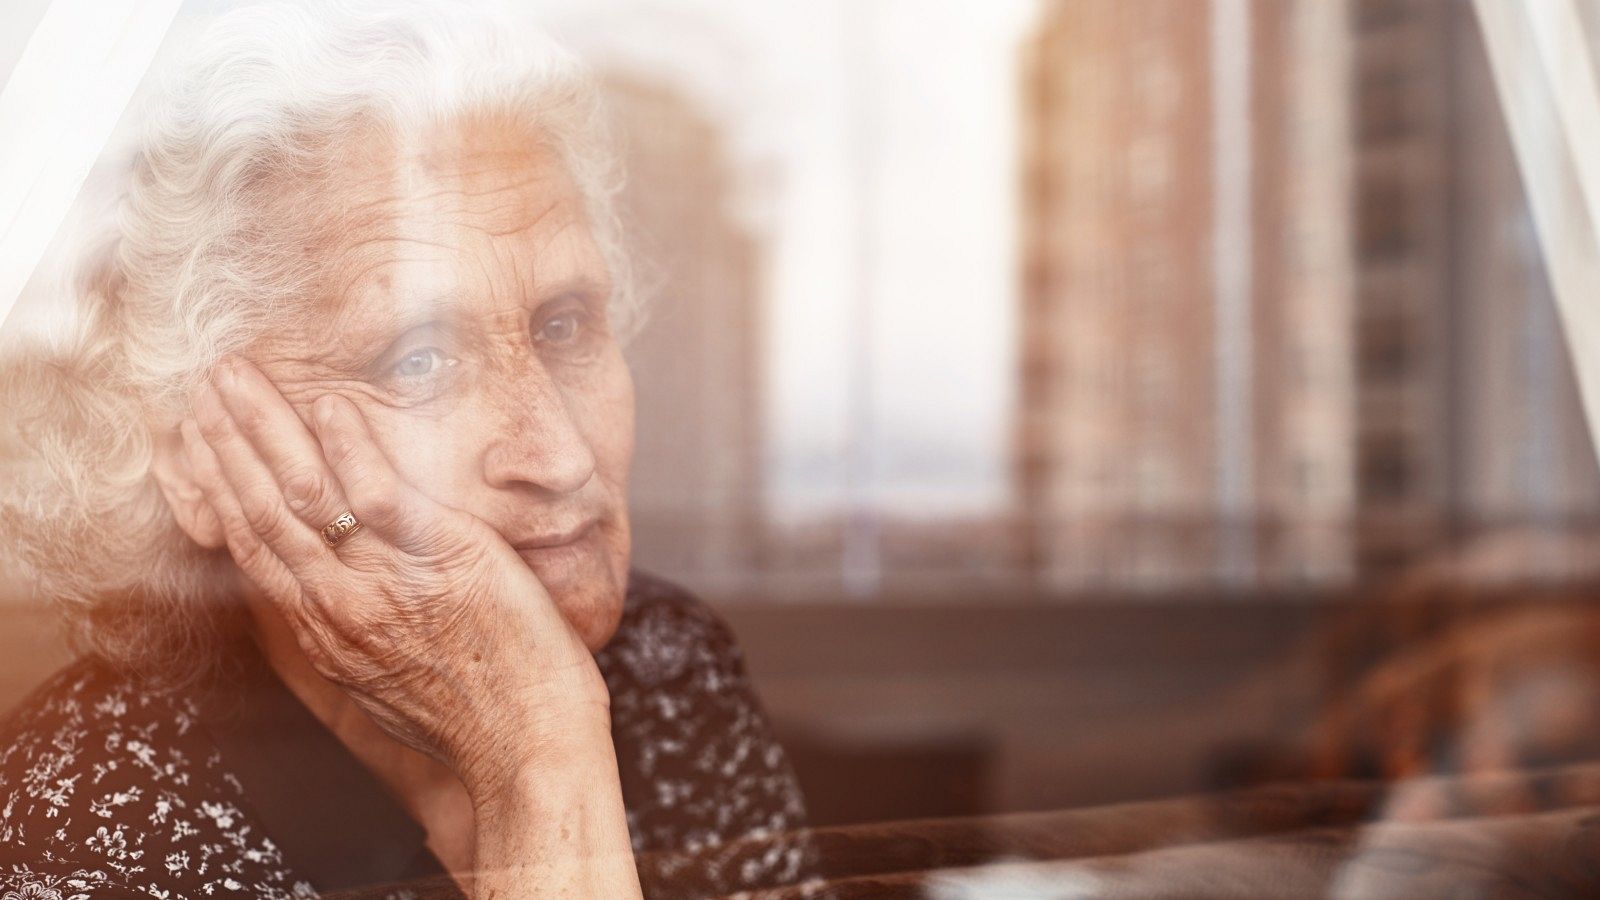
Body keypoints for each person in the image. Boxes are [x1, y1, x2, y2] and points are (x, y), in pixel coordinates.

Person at [0, 3, 808, 897]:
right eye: (417, 358)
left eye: (565, 322)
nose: (562, 452)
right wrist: (536, 757)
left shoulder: (668, 671)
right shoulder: (85, 825)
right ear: (191, 454)